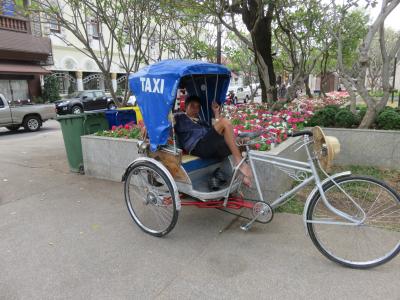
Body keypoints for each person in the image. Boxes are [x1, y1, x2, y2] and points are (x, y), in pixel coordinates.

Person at [174, 95, 252, 186]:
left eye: (198, 107)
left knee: (243, 141)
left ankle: (240, 176)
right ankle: (240, 162)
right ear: (186, 107)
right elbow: (167, 121)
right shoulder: (179, 117)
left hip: (209, 145)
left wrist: (216, 113)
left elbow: (215, 132)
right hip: (198, 146)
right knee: (225, 122)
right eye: (192, 106)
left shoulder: (201, 122)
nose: (195, 109)